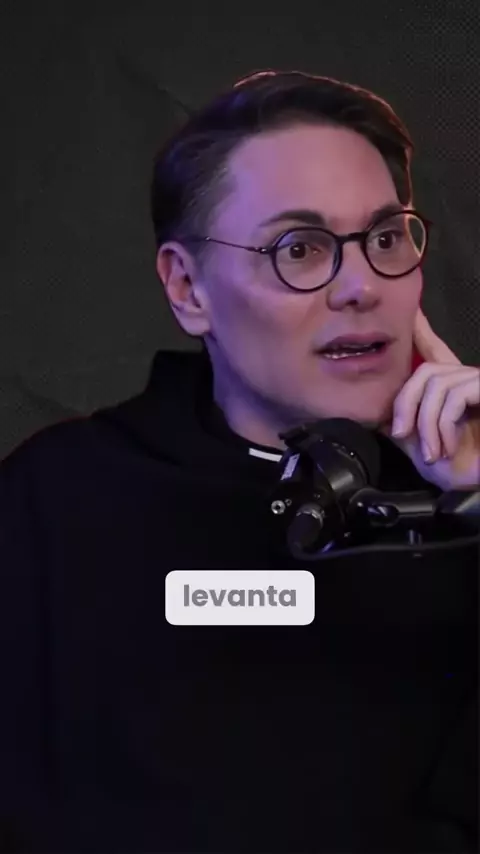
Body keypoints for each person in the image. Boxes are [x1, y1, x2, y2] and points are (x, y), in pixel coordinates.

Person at [0, 69, 478, 853]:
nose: (361, 286)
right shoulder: (47, 504)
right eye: (300, 249)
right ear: (188, 288)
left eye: (386, 238)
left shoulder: (463, 496)